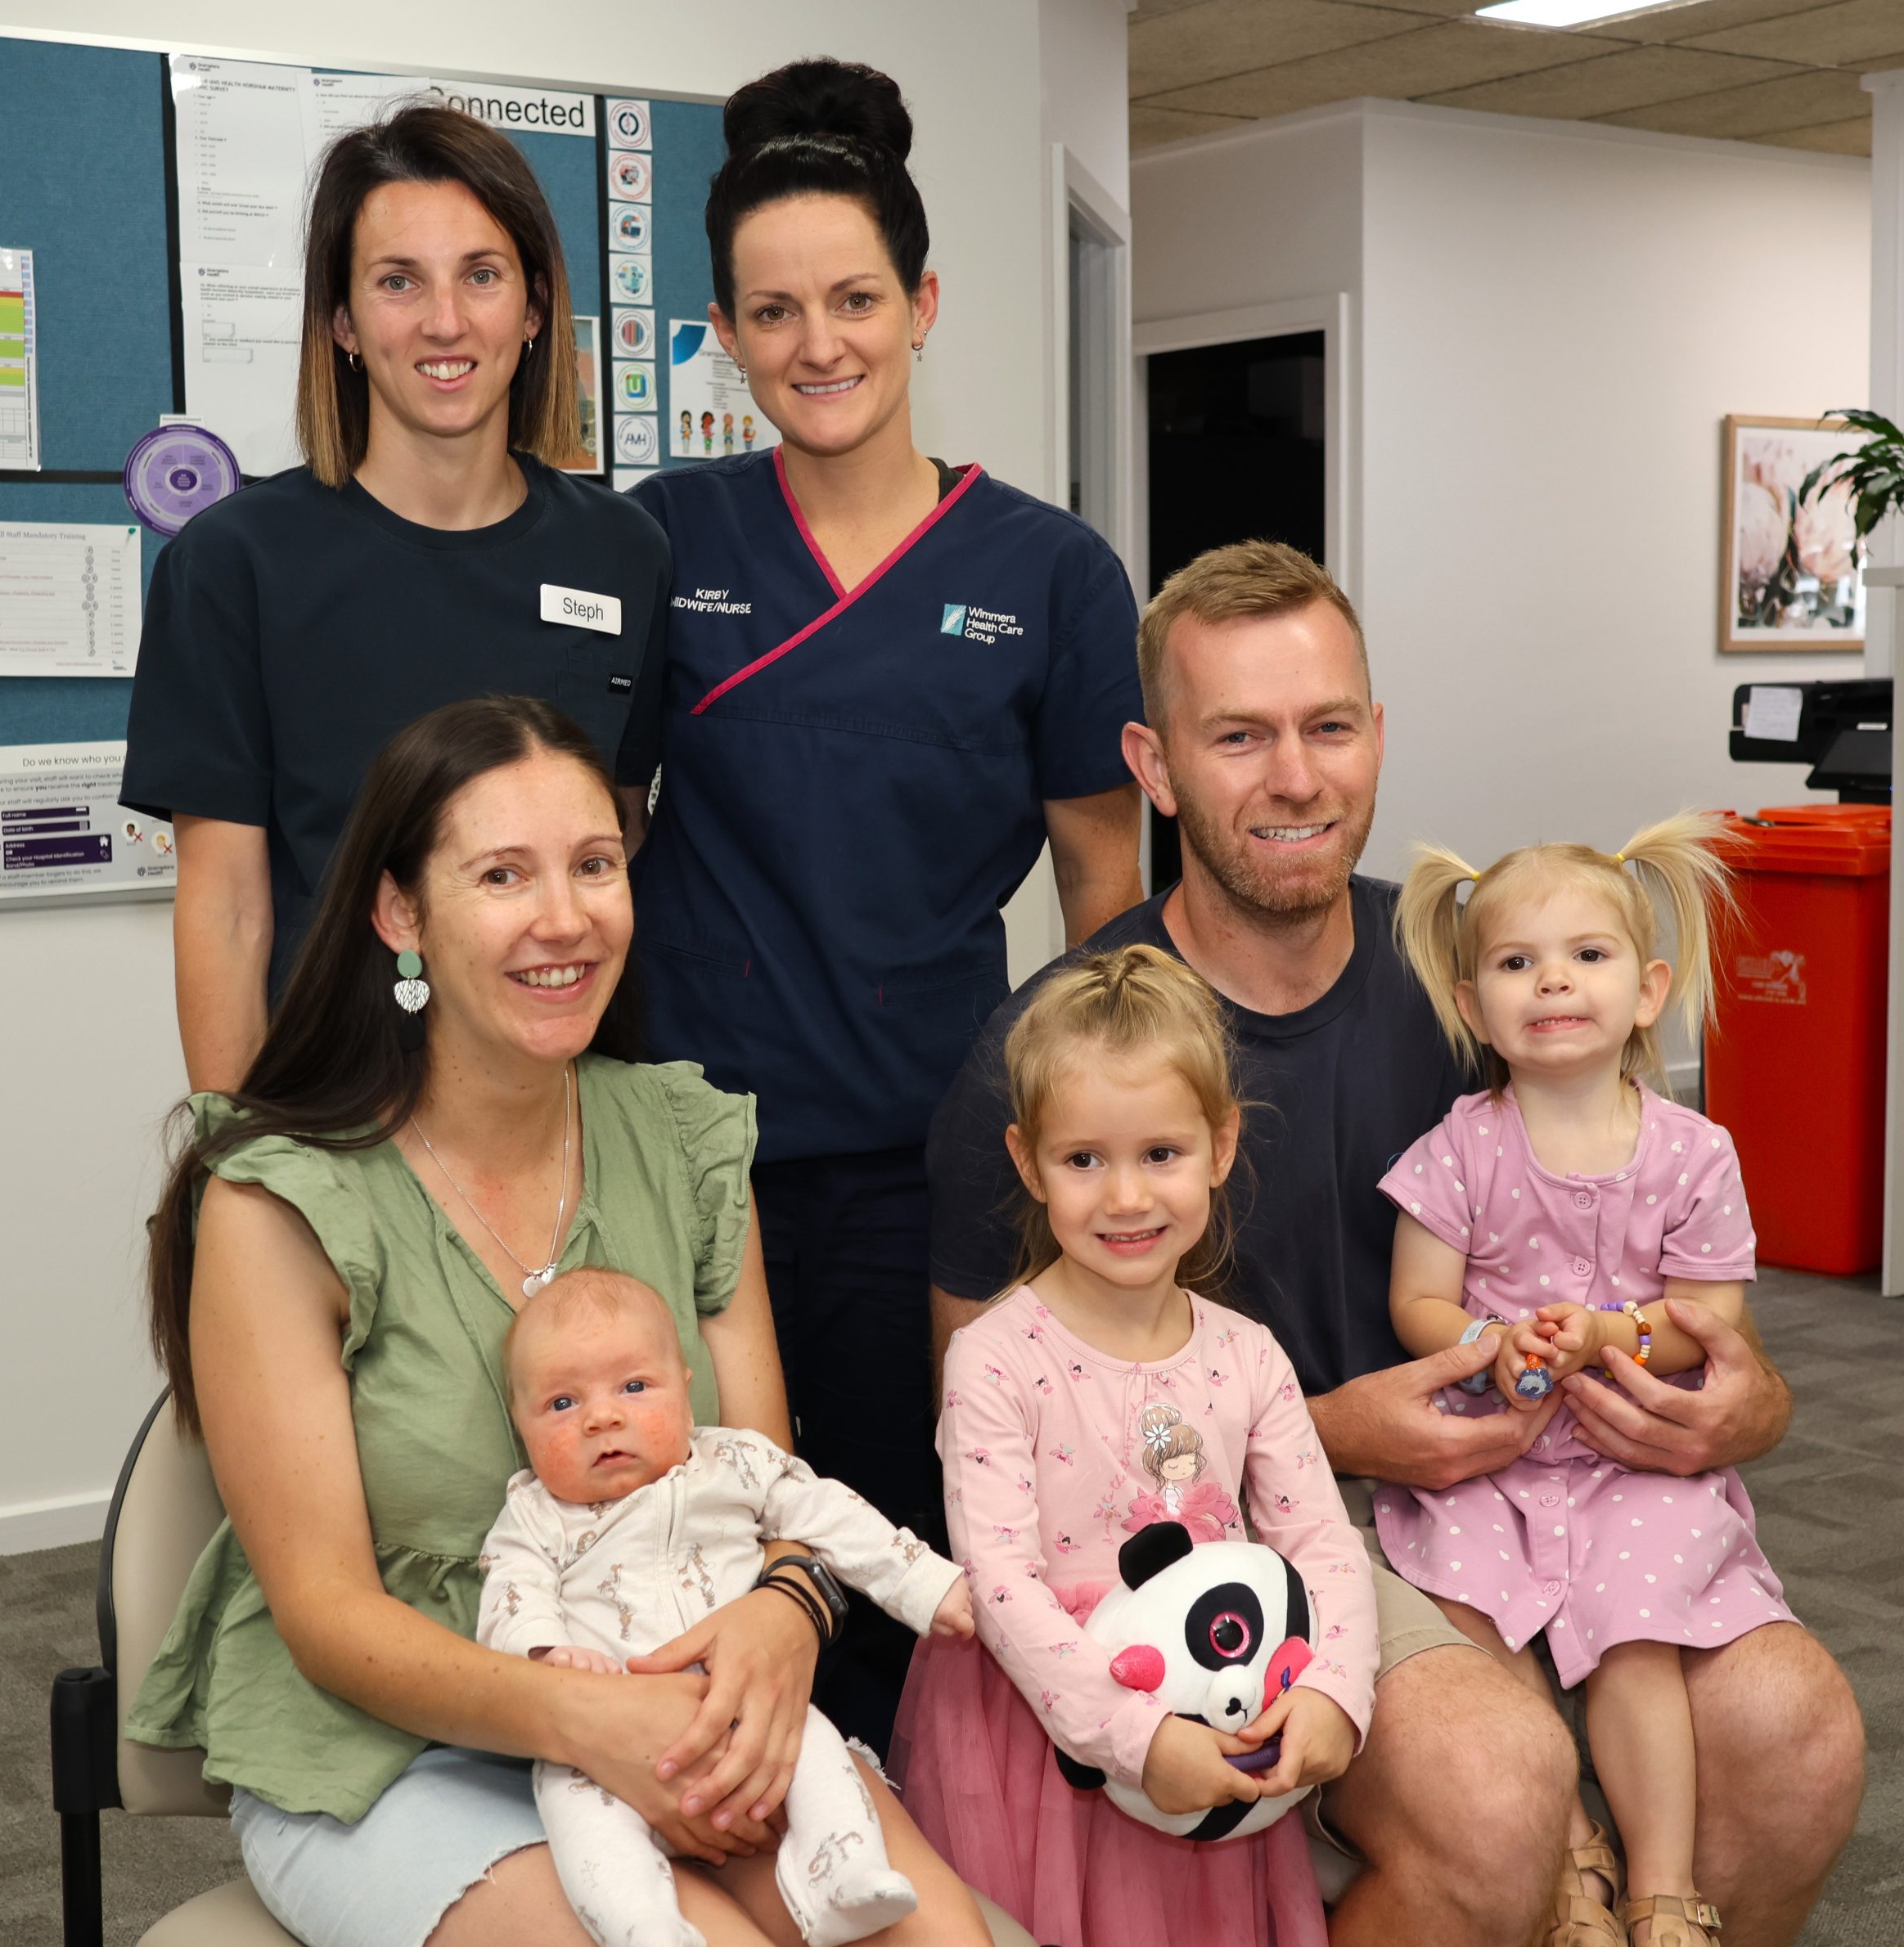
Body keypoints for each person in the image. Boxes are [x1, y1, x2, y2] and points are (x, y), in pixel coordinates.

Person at [926, 541, 1865, 1947]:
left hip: (1559, 1481)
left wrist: (1744, 1401)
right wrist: (1337, 1434)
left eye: (1328, 727)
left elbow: (1683, 1272)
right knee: (1495, 1789)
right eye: (1237, 736)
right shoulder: (1059, 1056)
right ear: (1155, 766)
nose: (1294, 777)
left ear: (1378, 738)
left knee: (1803, 1744)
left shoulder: (1478, 981)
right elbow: (988, 1418)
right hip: (1264, 1528)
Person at [127, 695, 987, 1947]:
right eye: (502, 875)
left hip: (675, 1680)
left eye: (595, 866)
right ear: (399, 913)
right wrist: (598, 1727)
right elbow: (328, 1619)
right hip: (391, 1747)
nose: (566, 918)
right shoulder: (280, 1203)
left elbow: (764, 1479)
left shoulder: (687, 1140)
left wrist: (786, 1613)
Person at [624, 57, 1144, 1752]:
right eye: (771, 312)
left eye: (854, 299)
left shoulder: (1045, 574)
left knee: (904, 1564)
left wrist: (1100, 1142)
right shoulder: (663, 538)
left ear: (920, 303)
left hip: (927, 1147)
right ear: (721, 330)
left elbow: (1100, 885)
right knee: (688, 1559)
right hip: (679, 1151)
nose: (817, 343)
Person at [122, 105, 670, 1093]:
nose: (445, 322)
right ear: (341, 321)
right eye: (397, 281)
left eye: (482, 275)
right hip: (336, 1115)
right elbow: (228, 909)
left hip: (565, 1109)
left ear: (535, 309)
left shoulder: (624, 551)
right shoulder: (234, 565)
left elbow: (612, 843)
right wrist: (241, 1169)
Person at [894, 944, 1375, 1947]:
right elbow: (1001, 1580)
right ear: (1027, 1160)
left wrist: (1335, 1689)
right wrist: (1133, 1737)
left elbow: (1321, 1544)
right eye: (1083, 1160)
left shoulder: (1247, 1355)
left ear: (1221, 1144)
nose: (1125, 1198)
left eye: (1160, 1153)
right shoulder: (991, 1359)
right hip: (1044, 1739)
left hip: (1219, 1713)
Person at [1380, 816, 1794, 1947]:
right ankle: (1570, 1853)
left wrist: (1608, 1333)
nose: (1553, 979)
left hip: (1627, 1457)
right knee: (1469, 1607)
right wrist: (1490, 1342)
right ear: (1475, 1009)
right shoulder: (1459, 1146)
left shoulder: (1693, 1151)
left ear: (1648, 990)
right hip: (1495, 1449)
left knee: (1635, 1633)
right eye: (1517, 963)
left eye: (1589, 956)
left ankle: (1664, 1889)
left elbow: (1711, 1324)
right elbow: (1417, 1298)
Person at [478, 1266, 978, 1947]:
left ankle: (845, 1875)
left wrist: (926, 1582)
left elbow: (833, 1516)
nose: (603, 1416)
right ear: (521, 1425)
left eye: (633, 1387)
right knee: (584, 1831)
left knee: (817, 1752)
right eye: (563, 1404)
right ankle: (645, 1928)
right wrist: (545, 1656)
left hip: (749, 1705)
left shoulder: (734, 1464)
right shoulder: (535, 1516)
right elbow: (511, 1592)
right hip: (606, 1742)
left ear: (686, 1394)